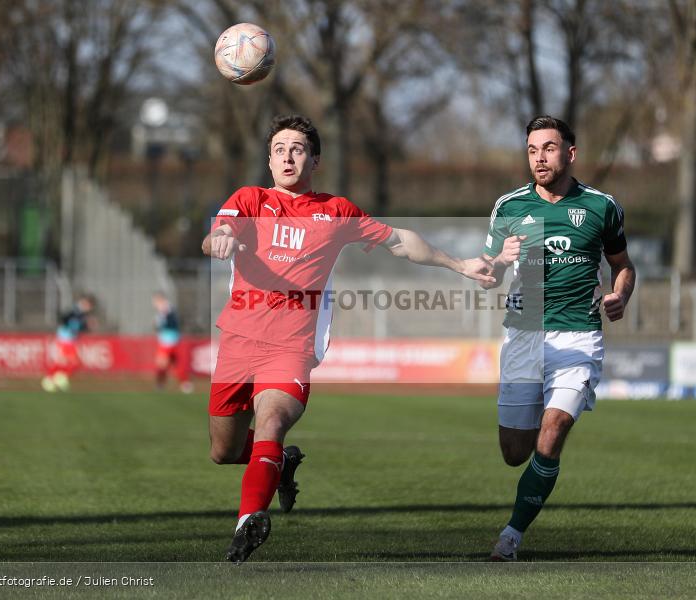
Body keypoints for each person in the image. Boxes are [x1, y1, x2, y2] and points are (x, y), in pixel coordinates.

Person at [202, 114, 494, 564]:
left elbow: (401, 241)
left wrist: (459, 265)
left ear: (315, 160)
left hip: (291, 346)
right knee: (223, 451)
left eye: (297, 149)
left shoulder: (336, 211)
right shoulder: (250, 199)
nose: (287, 157)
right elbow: (218, 234)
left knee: (271, 422)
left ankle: (247, 524)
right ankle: (280, 463)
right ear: (269, 160)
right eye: (279, 149)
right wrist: (219, 239)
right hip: (239, 341)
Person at [479, 115, 636, 561]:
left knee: (553, 430)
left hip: (578, 337)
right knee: (515, 452)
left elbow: (623, 265)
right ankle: (536, 471)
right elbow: (487, 274)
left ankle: (511, 536)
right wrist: (498, 262)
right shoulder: (509, 206)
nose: (539, 158)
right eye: (532, 150)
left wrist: (620, 294)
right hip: (523, 337)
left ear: (570, 153)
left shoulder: (601, 207)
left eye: (548, 148)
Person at [41, 294, 96, 392]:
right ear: (86, 304)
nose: (89, 309)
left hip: (69, 339)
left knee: (69, 362)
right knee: (72, 362)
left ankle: (56, 377)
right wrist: (81, 326)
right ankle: (53, 378)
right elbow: (65, 319)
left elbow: (78, 327)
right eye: (89, 306)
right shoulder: (76, 311)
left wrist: (86, 327)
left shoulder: (80, 313)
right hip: (65, 339)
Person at [152, 291, 193, 393]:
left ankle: (161, 384)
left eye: (155, 301)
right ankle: (184, 383)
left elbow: (169, 323)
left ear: (160, 300)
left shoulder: (166, 309)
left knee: (162, 363)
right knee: (175, 363)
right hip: (171, 339)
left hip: (168, 341)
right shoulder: (165, 310)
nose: (154, 303)